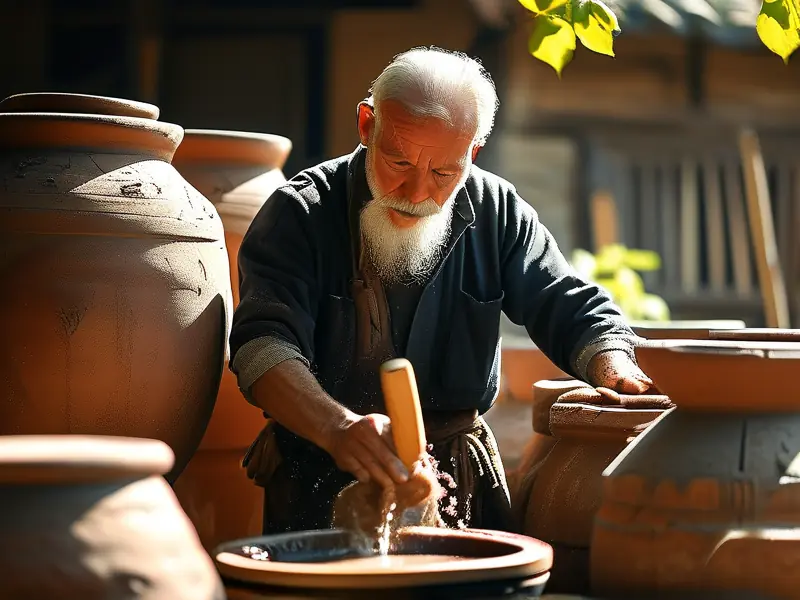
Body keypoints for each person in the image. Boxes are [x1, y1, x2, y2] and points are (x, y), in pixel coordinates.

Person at [230, 46, 653, 535]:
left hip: (460, 480)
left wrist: (615, 369)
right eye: (398, 162)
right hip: (321, 474)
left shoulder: (496, 210)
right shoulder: (300, 213)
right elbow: (262, 346)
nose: (414, 194)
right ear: (367, 125)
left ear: (472, 154)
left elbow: (566, 302)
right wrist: (339, 428)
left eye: (443, 174)